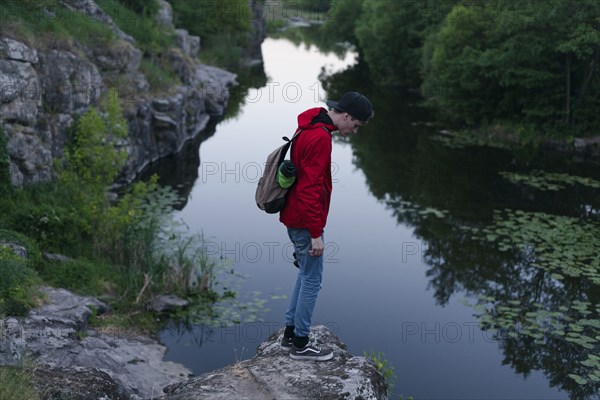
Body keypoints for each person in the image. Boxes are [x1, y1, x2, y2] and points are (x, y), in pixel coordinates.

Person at [279, 92, 373, 361]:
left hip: (294, 215)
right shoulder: (320, 137)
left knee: (305, 273)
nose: (354, 132)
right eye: (355, 125)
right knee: (313, 279)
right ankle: (301, 344)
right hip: (304, 220)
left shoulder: (309, 125)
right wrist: (316, 234)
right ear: (346, 115)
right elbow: (309, 189)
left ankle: (290, 335)